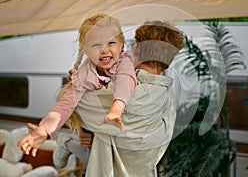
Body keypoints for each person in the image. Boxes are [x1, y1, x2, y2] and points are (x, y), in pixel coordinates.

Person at [20, 19, 184, 177]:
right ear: (170, 59)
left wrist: (48, 128)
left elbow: (68, 101)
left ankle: (67, 143)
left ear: (136, 49)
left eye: (111, 43)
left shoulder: (121, 90)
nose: (104, 50)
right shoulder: (167, 97)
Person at [18, 13, 137, 157]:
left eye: (111, 43)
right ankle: (66, 143)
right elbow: (65, 105)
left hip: (117, 123)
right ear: (85, 49)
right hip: (97, 126)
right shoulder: (85, 73)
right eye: (96, 45)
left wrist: (115, 110)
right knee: (88, 151)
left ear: (121, 44)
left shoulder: (124, 63)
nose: (104, 50)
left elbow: (125, 82)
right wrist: (44, 129)